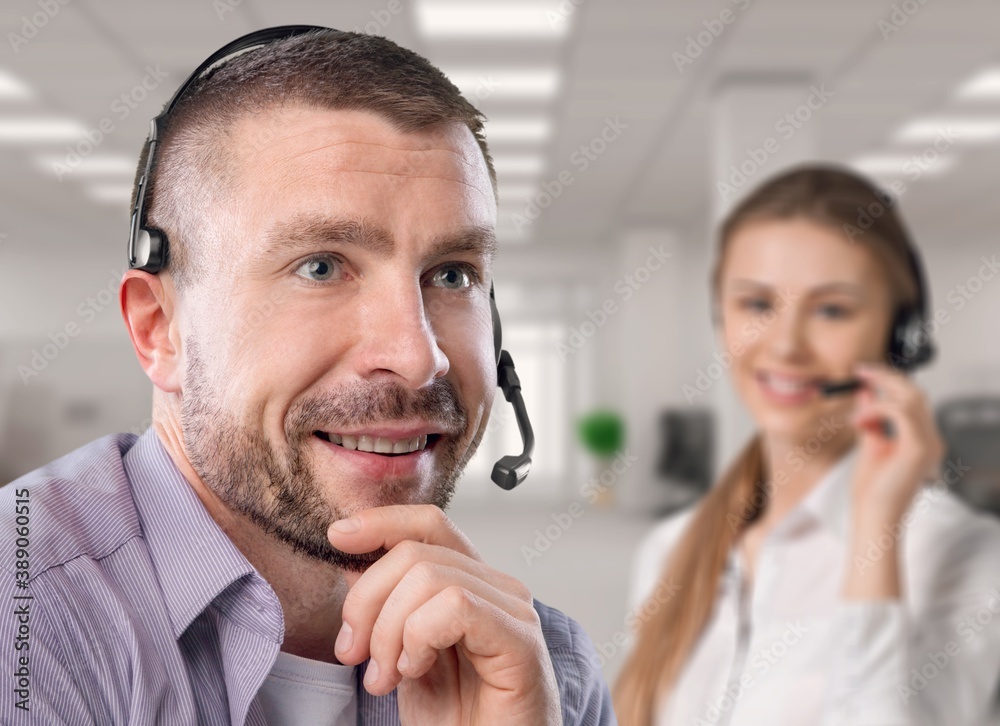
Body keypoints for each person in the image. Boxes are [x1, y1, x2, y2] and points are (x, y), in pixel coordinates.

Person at [0, 27, 615, 725]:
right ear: (159, 329)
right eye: (321, 266)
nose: (418, 357)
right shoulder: (24, 622)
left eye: (452, 274)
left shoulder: (540, 672)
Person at [614, 165, 1000, 725]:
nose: (787, 345)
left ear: (901, 336)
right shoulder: (670, 549)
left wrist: (875, 532)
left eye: (832, 310)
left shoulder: (961, 553)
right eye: (757, 304)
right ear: (719, 317)